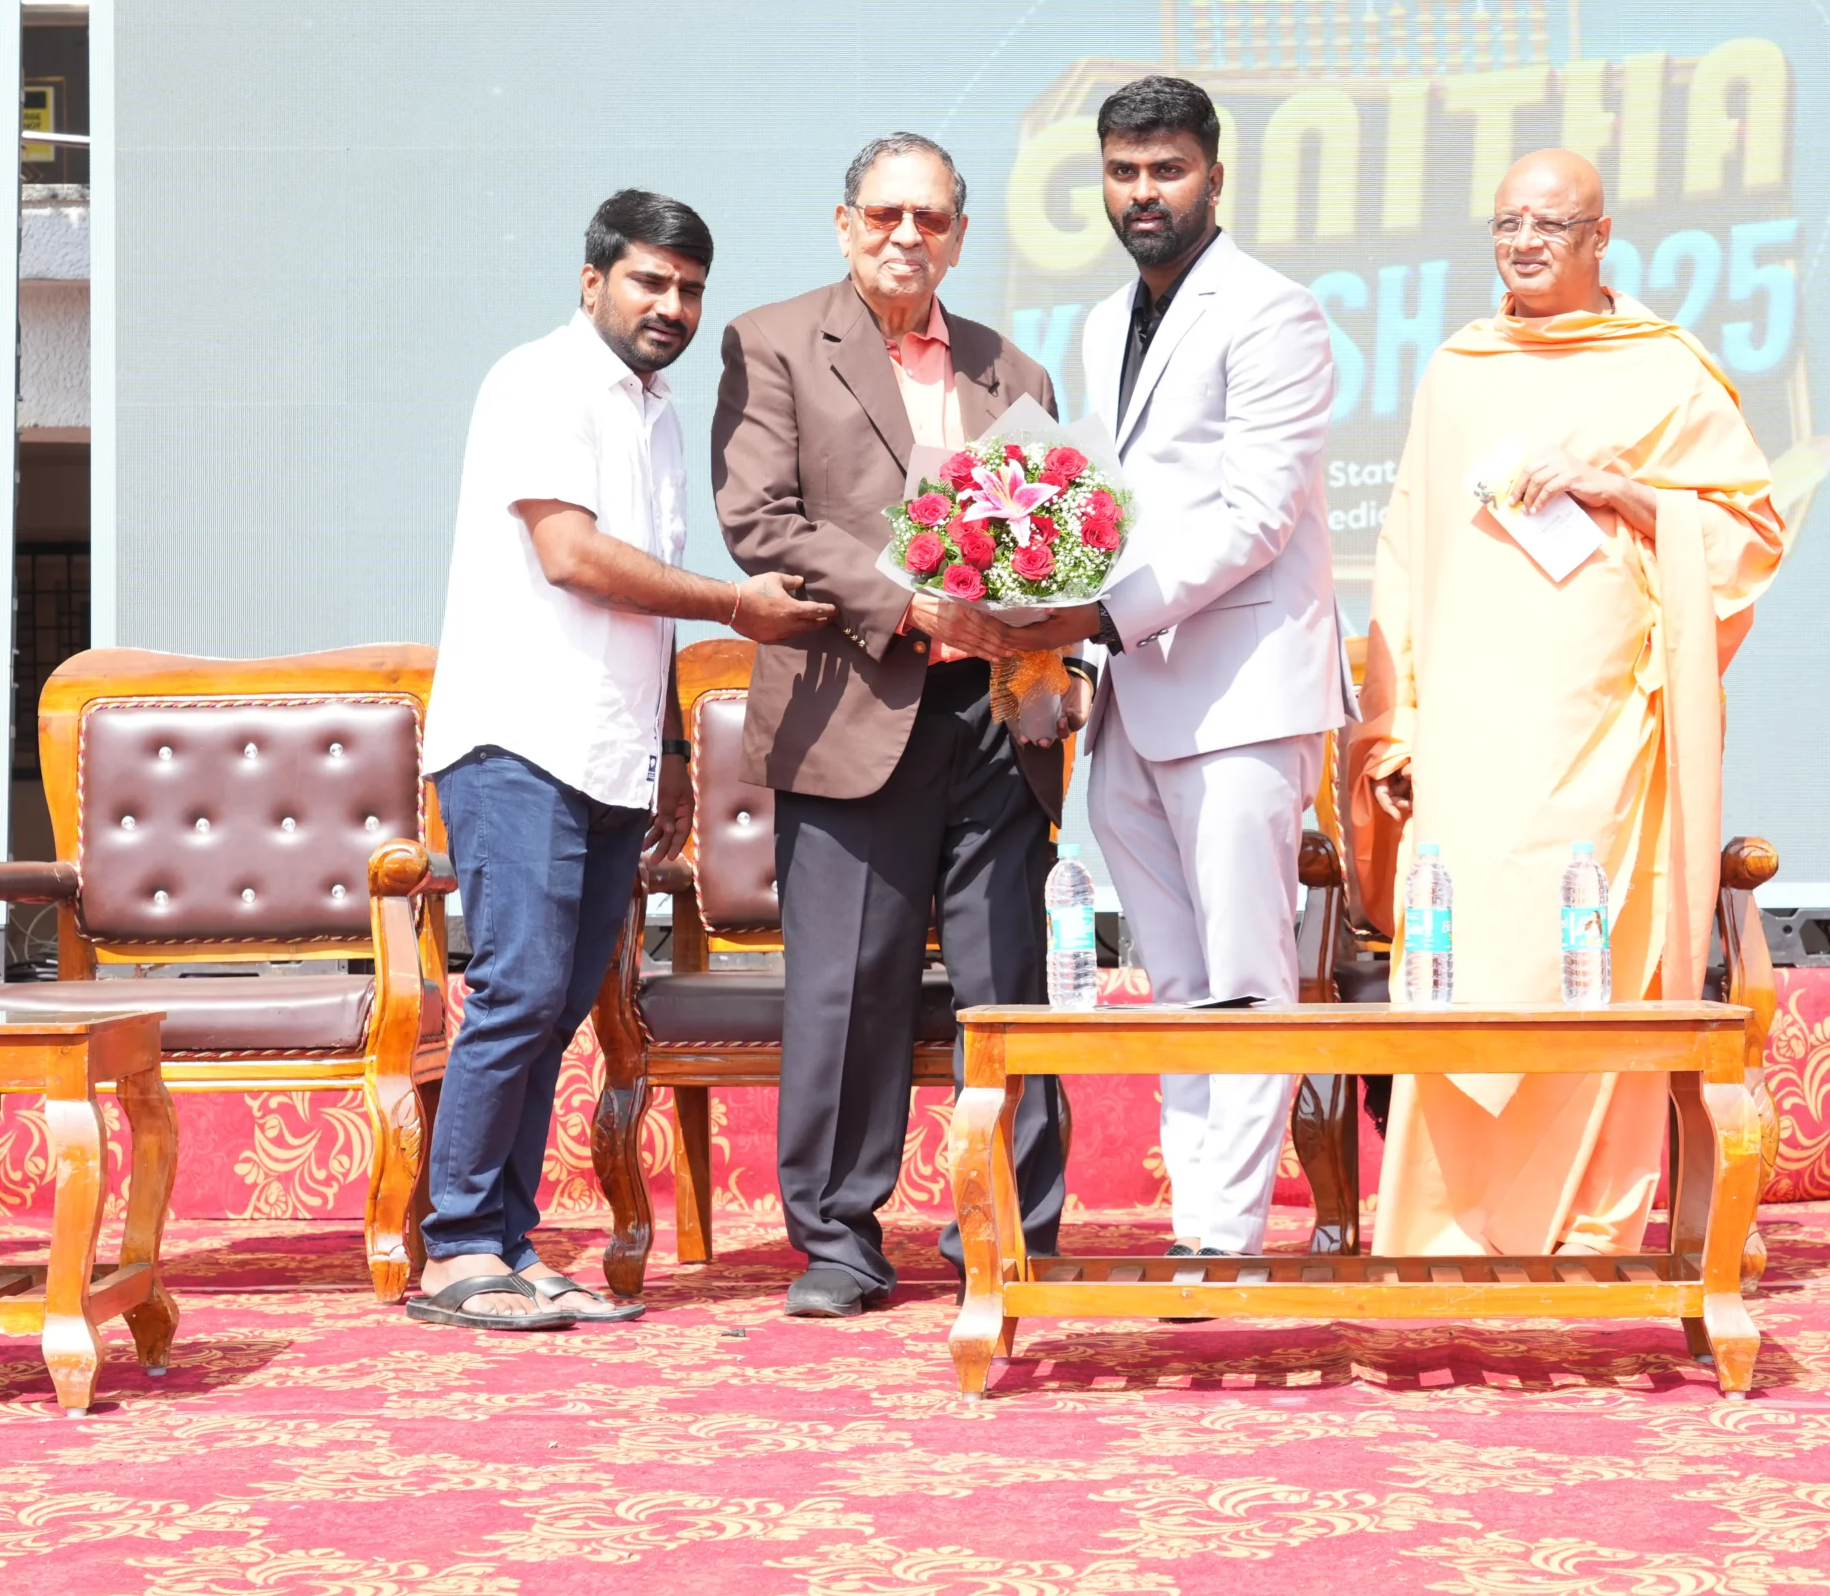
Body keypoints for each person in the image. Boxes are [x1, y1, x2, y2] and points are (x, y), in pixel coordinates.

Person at [1350, 149, 1786, 1258]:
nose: (1525, 243)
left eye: (1550, 224)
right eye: (1506, 225)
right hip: (1466, 731)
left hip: (1600, 727)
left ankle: (1583, 1229)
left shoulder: (1661, 371)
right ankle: (1442, 1229)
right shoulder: (1457, 366)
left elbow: (1747, 537)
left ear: (1601, 239)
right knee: (1462, 959)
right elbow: (1405, 547)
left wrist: (1620, 491)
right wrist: (1392, 719)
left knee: (1580, 952)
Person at [411, 190, 834, 1329]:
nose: (672, 306)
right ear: (592, 279)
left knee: (554, 1010)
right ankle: (453, 1246)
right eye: (650, 281)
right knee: (516, 994)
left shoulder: (651, 409)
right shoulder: (538, 379)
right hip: (519, 739)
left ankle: (506, 1242)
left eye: (690, 289)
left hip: (608, 752)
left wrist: (672, 753)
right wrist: (740, 609)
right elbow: (572, 556)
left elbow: (637, 616)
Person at [714, 133, 1072, 1319]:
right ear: (843, 222)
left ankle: (1011, 1232)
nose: (906, 236)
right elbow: (761, 523)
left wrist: (1052, 611)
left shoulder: (1013, 369)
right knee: (846, 989)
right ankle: (835, 1239)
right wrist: (903, 599)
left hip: (999, 718)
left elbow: (1057, 527)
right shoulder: (771, 342)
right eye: (884, 215)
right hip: (855, 702)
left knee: (1005, 988)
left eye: (930, 217)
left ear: (962, 233)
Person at [1010, 77, 1349, 1260]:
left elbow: (1257, 514)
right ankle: (1203, 1226)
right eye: (1122, 171)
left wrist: (1093, 614)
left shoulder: (1275, 312)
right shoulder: (1101, 326)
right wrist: (1037, 606)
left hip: (1244, 690)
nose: (1142, 193)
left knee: (1246, 977)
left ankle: (1225, 1237)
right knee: (1173, 981)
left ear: (1215, 173)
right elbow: (1108, 507)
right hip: (1131, 704)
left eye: (1166, 170)